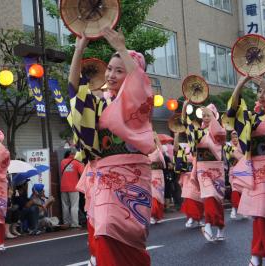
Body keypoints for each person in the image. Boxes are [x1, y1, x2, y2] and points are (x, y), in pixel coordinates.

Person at [68, 27, 155, 266]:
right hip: (104, 176)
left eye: (120, 71)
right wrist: (79, 50)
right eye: (109, 69)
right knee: (106, 230)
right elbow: (74, 92)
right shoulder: (99, 104)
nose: (111, 75)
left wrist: (121, 48)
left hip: (134, 176)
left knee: (131, 236)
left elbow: (140, 85)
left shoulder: (139, 105)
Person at [227, 76, 265, 266]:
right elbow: (233, 111)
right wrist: (240, 84)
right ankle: (256, 256)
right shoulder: (253, 118)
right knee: (260, 213)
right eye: (259, 91)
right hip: (258, 174)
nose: (261, 95)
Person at [182, 101, 226, 242]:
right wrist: (184, 108)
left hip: (216, 168)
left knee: (217, 199)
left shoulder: (220, 131)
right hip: (202, 168)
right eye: (204, 115)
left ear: (214, 116)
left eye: (209, 115)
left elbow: (219, 142)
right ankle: (207, 224)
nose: (206, 118)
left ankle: (220, 228)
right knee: (209, 195)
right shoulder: (199, 132)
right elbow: (186, 126)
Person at [173, 133, 204, 228]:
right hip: (187, 177)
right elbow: (175, 149)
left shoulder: (199, 147)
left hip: (198, 175)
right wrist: (176, 135)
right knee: (190, 197)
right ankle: (191, 217)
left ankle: (198, 218)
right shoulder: (183, 147)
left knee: (199, 198)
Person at [60, 149, 84, 228]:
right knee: (74, 206)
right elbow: (83, 173)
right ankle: (74, 224)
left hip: (63, 187)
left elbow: (62, 172)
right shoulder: (77, 162)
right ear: (74, 154)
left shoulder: (62, 162)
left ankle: (66, 223)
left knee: (65, 206)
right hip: (73, 187)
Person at [223, 130, 244, 219]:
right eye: (233, 137)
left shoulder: (243, 145)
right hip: (233, 170)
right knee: (235, 189)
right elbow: (228, 158)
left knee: (243, 191)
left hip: (243, 171)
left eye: (236, 137)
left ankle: (242, 209)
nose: (235, 139)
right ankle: (234, 209)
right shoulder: (228, 146)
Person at [149, 132, 166, 224]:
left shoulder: (159, 150)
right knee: (153, 194)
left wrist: (156, 138)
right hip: (150, 174)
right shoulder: (146, 151)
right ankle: (152, 214)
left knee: (160, 194)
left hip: (159, 174)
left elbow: (162, 151)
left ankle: (158, 215)